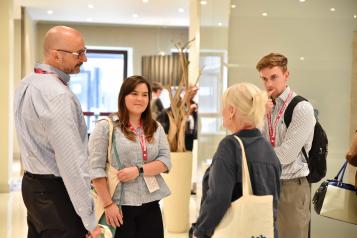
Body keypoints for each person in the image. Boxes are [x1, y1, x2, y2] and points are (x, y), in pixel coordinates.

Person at [14, 26, 101, 237]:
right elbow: (71, 163)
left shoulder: (27, 83)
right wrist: (90, 220)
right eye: (79, 53)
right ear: (56, 55)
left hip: (33, 187)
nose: (85, 58)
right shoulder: (58, 95)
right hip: (56, 194)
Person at [190, 82, 281, 238]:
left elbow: (218, 198)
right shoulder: (268, 148)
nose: (221, 112)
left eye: (223, 107)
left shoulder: (230, 146)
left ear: (231, 111)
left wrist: (200, 232)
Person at [89, 75, 172, 238]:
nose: (140, 99)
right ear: (123, 96)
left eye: (144, 94)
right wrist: (108, 204)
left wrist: (139, 170)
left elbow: (165, 161)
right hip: (118, 206)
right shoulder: (106, 126)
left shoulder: (155, 127)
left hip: (151, 203)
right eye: (134, 93)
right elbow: (95, 169)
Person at [256, 53, 316, 238]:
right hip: (266, 184)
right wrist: (259, 114)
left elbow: (286, 155)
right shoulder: (265, 105)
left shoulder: (301, 108)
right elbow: (253, 139)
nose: (268, 85)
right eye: (264, 79)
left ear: (286, 75)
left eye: (274, 77)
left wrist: (256, 156)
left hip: (292, 186)